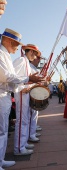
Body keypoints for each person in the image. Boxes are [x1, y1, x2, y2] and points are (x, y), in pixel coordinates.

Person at [0, 28, 42, 170]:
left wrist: (29, 83)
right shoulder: (17, 59)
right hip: (7, 95)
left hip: (11, 94)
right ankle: (18, 148)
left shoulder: (9, 56)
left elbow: (15, 81)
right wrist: (27, 81)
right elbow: (9, 77)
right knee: (17, 122)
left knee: (5, 130)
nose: (17, 48)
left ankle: (2, 159)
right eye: (16, 44)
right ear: (8, 41)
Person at [13, 44, 42, 156]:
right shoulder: (21, 61)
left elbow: (26, 79)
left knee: (24, 120)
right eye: (35, 55)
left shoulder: (26, 63)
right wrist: (22, 88)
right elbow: (13, 77)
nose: (35, 57)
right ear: (31, 52)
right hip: (21, 92)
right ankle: (19, 148)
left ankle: (23, 144)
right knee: (21, 121)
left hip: (25, 92)